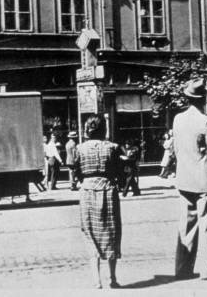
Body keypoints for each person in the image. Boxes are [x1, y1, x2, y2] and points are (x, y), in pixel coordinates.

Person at [173, 79, 207, 281]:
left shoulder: (178, 119)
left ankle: (183, 268)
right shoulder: (206, 122)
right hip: (203, 179)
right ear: (204, 99)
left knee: (186, 225)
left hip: (184, 177)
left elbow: (176, 149)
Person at [74, 115, 123, 289]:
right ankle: (113, 278)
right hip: (108, 190)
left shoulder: (79, 149)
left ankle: (96, 281)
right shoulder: (113, 148)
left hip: (87, 192)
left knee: (90, 233)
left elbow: (76, 172)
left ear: (87, 130)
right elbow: (119, 170)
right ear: (104, 129)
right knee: (112, 232)